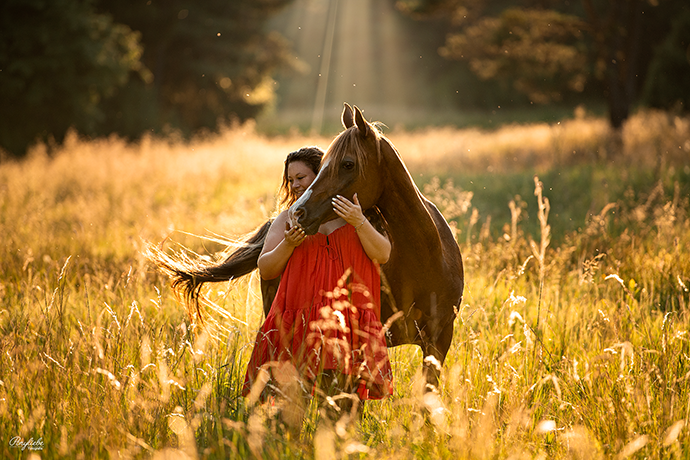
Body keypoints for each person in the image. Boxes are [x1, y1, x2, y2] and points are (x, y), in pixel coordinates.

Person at [242, 146, 393, 416]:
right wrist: (287, 244)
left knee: (343, 408)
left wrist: (358, 221)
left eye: (301, 177)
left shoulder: (357, 214)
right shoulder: (289, 218)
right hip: (302, 321)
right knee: (292, 408)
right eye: (291, 180)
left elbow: (382, 253)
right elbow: (266, 269)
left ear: (322, 176)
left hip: (348, 323)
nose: (295, 184)